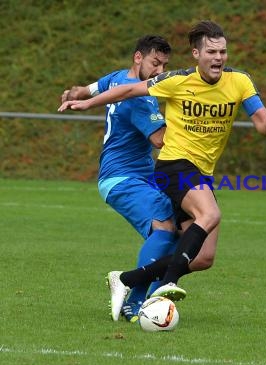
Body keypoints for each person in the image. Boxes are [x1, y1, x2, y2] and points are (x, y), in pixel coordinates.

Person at [59, 21, 266, 315]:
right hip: (174, 165)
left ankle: (127, 279)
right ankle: (161, 288)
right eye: (212, 52)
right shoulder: (175, 81)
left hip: (200, 172)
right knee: (206, 216)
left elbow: (261, 122)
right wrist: (88, 104)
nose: (218, 58)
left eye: (223, 52)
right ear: (196, 54)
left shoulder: (240, 81)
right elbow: (128, 93)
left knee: (202, 256)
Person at [60, 35, 178, 323]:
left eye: (164, 65)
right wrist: (194, 121)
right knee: (165, 229)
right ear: (138, 57)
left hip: (139, 176)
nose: (159, 72)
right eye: (155, 63)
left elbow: (92, 87)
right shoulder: (141, 100)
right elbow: (161, 140)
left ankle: (147, 297)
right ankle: (134, 298)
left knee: (177, 233)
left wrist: (77, 92)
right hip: (123, 177)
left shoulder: (118, 78)